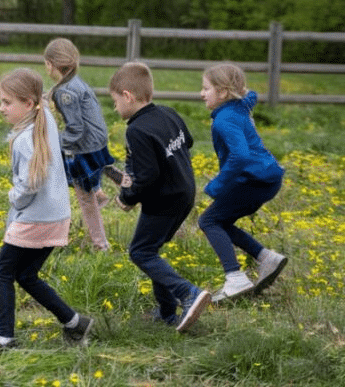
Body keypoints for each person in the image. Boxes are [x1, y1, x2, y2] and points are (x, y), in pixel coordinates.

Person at [0, 68, 93, 349]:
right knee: (25, 275)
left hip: (35, 217)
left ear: (27, 104)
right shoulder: (44, 116)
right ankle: (75, 323)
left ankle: (5, 340)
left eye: (6, 102)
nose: (1, 108)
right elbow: (43, 101)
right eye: (1, 101)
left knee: (1, 270)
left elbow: (29, 185)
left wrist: (13, 198)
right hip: (58, 216)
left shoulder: (25, 139)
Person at [108, 62, 210, 332]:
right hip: (184, 192)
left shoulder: (136, 130)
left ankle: (188, 293)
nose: (114, 107)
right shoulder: (168, 113)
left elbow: (147, 176)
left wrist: (127, 198)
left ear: (127, 95)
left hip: (163, 200)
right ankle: (166, 313)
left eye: (115, 100)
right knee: (151, 251)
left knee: (140, 252)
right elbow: (186, 141)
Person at [198, 64, 288, 302]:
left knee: (208, 220)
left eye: (206, 88)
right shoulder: (237, 107)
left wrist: (216, 185)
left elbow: (240, 156)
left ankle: (235, 279)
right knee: (221, 220)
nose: (201, 93)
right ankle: (267, 258)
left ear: (223, 93)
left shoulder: (224, 119)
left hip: (255, 181)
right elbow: (248, 99)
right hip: (267, 178)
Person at [44, 38, 115, 251]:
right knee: (79, 175)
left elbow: (75, 130)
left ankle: (101, 246)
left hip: (85, 147)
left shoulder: (65, 92)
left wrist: (51, 142)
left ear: (50, 64)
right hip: (96, 142)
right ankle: (100, 189)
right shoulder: (73, 81)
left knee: (84, 199)